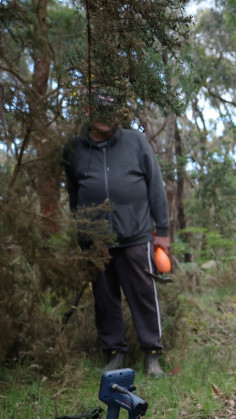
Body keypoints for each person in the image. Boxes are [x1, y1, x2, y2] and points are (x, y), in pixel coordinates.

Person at [63, 91, 170, 379]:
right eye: (99, 110)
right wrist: (82, 233)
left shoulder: (135, 141)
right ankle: (115, 354)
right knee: (104, 300)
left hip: (136, 236)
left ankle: (152, 355)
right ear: (88, 110)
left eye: (111, 111)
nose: (105, 117)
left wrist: (162, 231)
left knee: (145, 297)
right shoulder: (74, 148)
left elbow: (155, 185)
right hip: (96, 242)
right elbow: (74, 194)